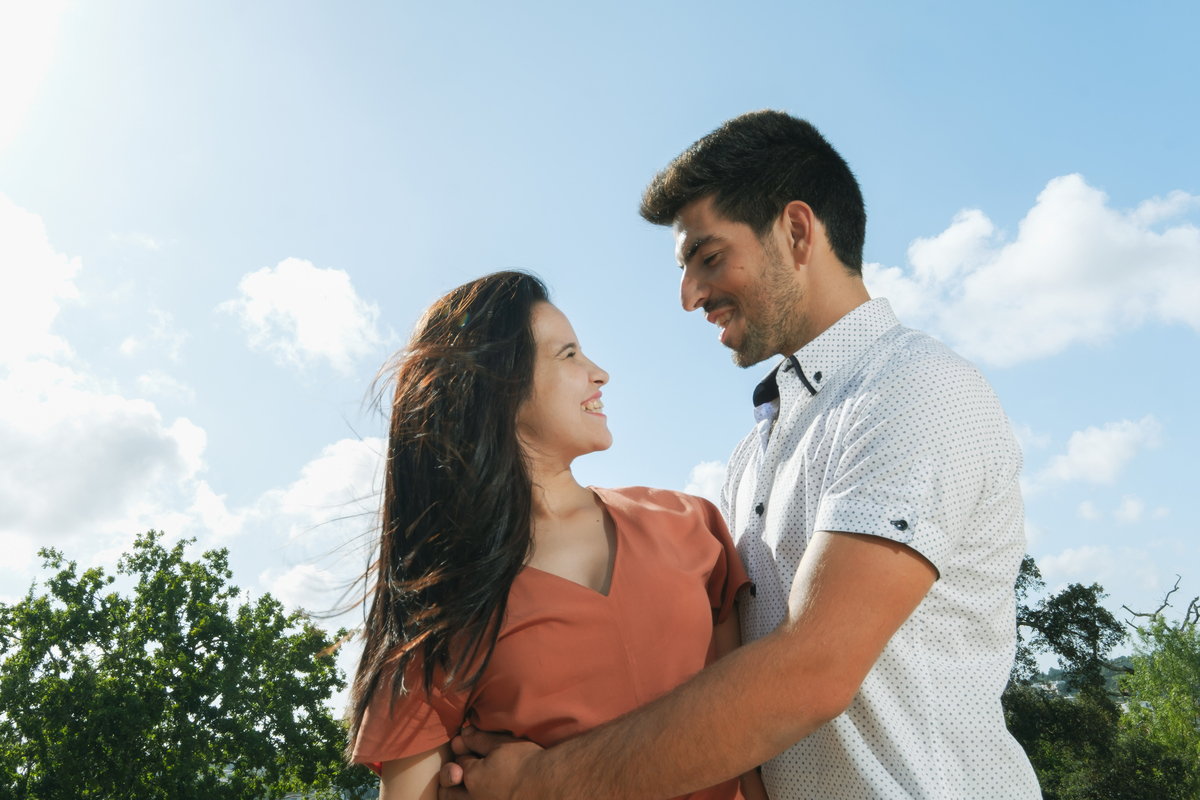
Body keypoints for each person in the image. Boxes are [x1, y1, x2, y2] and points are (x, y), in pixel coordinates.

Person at [436, 112, 1042, 798]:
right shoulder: (750, 455)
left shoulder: (916, 389)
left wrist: (542, 782)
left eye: (709, 256)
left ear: (796, 232)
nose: (689, 295)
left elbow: (812, 669)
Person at [345, 271, 769, 800]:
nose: (600, 374)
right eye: (568, 355)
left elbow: (754, 753)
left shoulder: (691, 523)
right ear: (497, 388)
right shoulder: (437, 609)